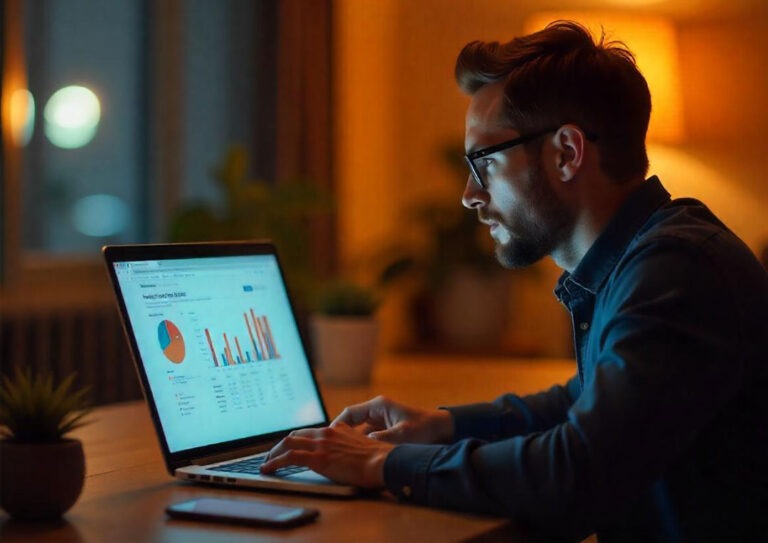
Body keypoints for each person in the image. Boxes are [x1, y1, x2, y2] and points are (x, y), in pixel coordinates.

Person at [261, 21, 768, 541]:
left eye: (484, 162)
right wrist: (443, 425)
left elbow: (576, 473)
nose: (469, 194)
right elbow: (583, 401)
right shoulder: (645, 261)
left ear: (567, 153)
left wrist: (383, 465)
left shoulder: (678, 270)